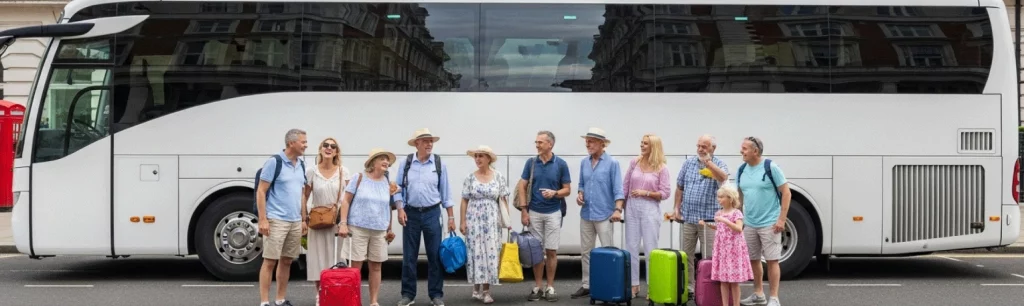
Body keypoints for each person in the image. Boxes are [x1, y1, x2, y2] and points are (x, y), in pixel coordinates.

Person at [394, 128, 454, 306]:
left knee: (435, 256)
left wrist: (451, 218)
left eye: (431, 141)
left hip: (432, 213)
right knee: (409, 256)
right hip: (410, 213)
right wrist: (399, 209)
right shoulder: (406, 163)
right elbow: (398, 189)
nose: (430, 144)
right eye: (426, 141)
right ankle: (408, 295)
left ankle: (436, 295)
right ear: (417, 144)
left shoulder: (438, 163)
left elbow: (446, 193)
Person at [337, 148, 400, 306]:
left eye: (387, 159)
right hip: (357, 227)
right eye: (382, 159)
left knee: (376, 266)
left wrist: (389, 228)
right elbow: (346, 201)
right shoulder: (359, 178)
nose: (386, 162)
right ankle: (353, 301)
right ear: (373, 162)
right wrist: (343, 223)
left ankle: (373, 302)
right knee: (356, 268)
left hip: (379, 230)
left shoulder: (387, 182)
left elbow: (387, 207)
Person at [570, 128, 625, 300]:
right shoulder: (584, 163)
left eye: (591, 141)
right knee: (586, 251)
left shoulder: (612, 163)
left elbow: (618, 189)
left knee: (607, 251)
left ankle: (608, 286)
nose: (588, 144)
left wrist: (617, 209)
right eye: (587, 141)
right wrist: (580, 194)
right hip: (586, 213)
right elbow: (581, 183)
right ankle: (586, 285)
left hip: (605, 214)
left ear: (602, 144)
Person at [517, 130, 571, 302]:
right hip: (534, 212)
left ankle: (550, 287)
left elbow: (567, 189)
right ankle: (538, 287)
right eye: (536, 142)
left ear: (550, 144)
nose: (537, 145)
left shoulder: (560, 164)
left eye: (540, 142)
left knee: (551, 251)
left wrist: (555, 193)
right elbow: (522, 186)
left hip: (553, 213)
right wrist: (524, 210)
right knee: (536, 252)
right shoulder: (531, 163)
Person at [256, 129, 308, 306]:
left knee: (286, 261)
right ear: (291, 143)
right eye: (303, 142)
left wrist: (303, 219)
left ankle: (280, 300)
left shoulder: (301, 164)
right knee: (270, 261)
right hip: (276, 219)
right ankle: (264, 302)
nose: (306, 145)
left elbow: (301, 194)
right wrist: (263, 219)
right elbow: (261, 191)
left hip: (294, 220)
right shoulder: (274, 162)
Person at [737, 136, 790, 306]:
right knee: (754, 259)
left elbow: (786, 193)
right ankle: (758, 294)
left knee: (772, 260)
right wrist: (739, 218)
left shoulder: (770, 167)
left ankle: (774, 298)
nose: (741, 151)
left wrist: (781, 220)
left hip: (769, 223)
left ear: (755, 151)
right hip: (750, 223)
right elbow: (740, 195)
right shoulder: (741, 169)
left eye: (745, 148)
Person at [673, 134, 729, 294]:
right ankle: (689, 288)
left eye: (704, 146)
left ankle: (708, 289)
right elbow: (679, 187)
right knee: (686, 255)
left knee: (710, 256)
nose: (700, 149)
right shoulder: (688, 163)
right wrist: (677, 208)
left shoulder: (719, 164)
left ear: (713, 148)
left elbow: (723, 178)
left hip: (709, 220)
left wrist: (708, 163)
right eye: (698, 146)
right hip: (688, 217)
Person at [302, 137, 351, 305]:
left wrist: (345, 221)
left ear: (336, 151)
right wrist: (303, 219)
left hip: (336, 221)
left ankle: (336, 293)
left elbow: (348, 199)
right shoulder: (311, 171)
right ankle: (320, 294)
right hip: (316, 219)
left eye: (333, 146)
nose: (329, 148)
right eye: (326, 145)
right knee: (318, 259)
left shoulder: (344, 171)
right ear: (320, 149)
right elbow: (305, 196)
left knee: (336, 258)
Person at [459, 145, 510, 304]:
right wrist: (463, 221)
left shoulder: (498, 176)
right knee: (476, 252)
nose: (478, 159)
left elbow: (503, 199)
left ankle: (486, 291)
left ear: (489, 158)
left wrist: (507, 221)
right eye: (476, 156)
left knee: (490, 252)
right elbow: (464, 200)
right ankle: (476, 289)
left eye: (481, 156)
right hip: (474, 219)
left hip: (492, 219)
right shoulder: (470, 177)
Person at [622, 134, 671, 299]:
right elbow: (625, 186)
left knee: (651, 248)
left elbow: (665, 193)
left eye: (646, 144)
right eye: (641, 143)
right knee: (631, 247)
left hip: (650, 207)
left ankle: (652, 286)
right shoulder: (634, 162)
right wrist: (619, 208)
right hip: (632, 207)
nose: (642, 146)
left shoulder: (662, 168)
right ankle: (633, 285)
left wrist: (646, 192)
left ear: (654, 147)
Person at [700, 184, 753, 306]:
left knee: (734, 281)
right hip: (722, 249)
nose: (719, 199)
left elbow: (739, 228)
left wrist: (725, 220)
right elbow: (719, 227)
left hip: (734, 249)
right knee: (723, 280)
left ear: (730, 198)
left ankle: (736, 304)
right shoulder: (719, 213)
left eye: (721, 197)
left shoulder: (736, 213)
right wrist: (707, 224)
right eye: (718, 197)